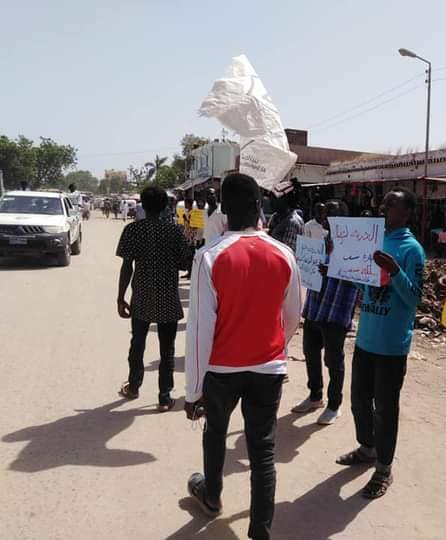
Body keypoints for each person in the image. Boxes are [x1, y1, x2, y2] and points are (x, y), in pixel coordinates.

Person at [184, 173, 301, 539]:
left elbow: (200, 330)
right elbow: (294, 314)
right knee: (262, 451)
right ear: (258, 207)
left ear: (222, 210)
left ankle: (213, 495)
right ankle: (260, 531)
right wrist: (276, 351)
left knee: (215, 433)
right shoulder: (284, 254)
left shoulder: (209, 256)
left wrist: (192, 391)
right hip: (268, 368)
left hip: (221, 370)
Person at [336, 187, 425, 500]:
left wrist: (395, 271)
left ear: (407, 212)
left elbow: (414, 298)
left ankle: (384, 468)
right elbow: (366, 281)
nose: (384, 206)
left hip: (391, 346)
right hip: (365, 341)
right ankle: (367, 447)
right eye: (385, 202)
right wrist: (340, 268)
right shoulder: (373, 240)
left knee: (385, 410)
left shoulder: (412, 249)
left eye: (393, 203)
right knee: (359, 401)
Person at [115, 186, 193, 411]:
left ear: (142, 204)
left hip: (141, 297)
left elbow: (126, 267)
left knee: (137, 344)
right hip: (168, 297)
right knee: (167, 349)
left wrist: (120, 297)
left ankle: (134, 386)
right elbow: (183, 264)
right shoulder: (175, 232)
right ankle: (164, 397)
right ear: (165, 207)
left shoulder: (132, 230)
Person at [292, 200, 358, 425]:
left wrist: (333, 269)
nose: (324, 215)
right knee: (310, 352)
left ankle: (334, 404)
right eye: (323, 211)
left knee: (333, 359)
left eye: (330, 211)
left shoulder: (355, 243)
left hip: (336, 310)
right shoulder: (325, 240)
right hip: (316, 306)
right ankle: (315, 396)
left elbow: (360, 275)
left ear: (343, 215)